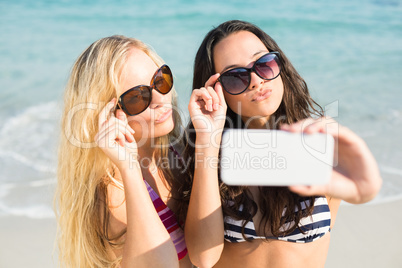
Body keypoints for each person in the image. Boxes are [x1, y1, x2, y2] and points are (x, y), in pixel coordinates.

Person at [183, 20, 382, 268]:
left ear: (280, 65)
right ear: (214, 89)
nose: (256, 81)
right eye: (236, 76)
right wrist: (207, 141)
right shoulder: (207, 155)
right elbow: (203, 258)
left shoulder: (316, 143)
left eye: (264, 64)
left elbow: (362, 192)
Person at [56, 35, 192, 267]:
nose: (161, 98)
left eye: (160, 80)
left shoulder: (175, 151)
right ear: (106, 115)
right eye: (138, 97)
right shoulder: (112, 198)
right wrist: (129, 169)